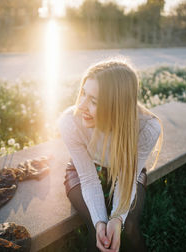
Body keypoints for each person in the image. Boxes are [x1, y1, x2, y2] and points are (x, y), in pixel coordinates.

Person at [57, 60, 163, 252]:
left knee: (128, 228)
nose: (81, 106)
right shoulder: (70, 122)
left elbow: (127, 178)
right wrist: (101, 222)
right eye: (83, 94)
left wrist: (118, 218)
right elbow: (89, 178)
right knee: (99, 230)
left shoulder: (147, 128)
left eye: (94, 101)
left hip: (126, 171)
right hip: (85, 171)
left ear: (117, 105)